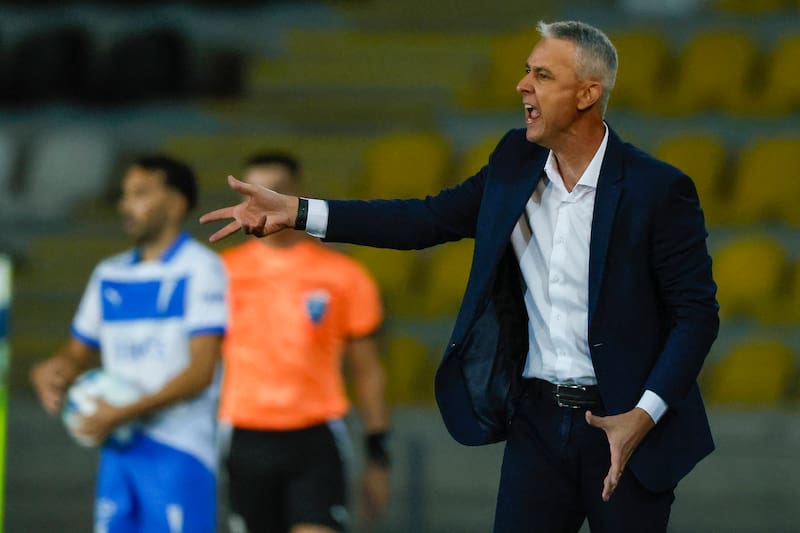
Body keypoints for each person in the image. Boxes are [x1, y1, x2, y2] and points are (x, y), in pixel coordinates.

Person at [199, 20, 719, 533]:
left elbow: (695, 316)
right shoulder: (515, 161)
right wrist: (297, 211)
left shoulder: (657, 188)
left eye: (542, 75)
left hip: (624, 423)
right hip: (537, 420)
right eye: (526, 71)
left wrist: (644, 414)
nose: (523, 85)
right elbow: (423, 219)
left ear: (588, 93)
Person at [31, 155, 227, 533]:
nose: (125, 205)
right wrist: (53, 371)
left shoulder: (201, 268)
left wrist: (127, 411)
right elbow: (77, 351)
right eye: (125, 195)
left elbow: (202, 371)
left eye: (140, 193)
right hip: (118, 448)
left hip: (179, 448)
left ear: (176, 204)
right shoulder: (109, 273)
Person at [218, 153, 390, 533]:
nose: (261, 201)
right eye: (251, 192)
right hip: (245, 435)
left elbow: (368, 371)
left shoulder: (343, 275)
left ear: (296, 193)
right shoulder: (220, 275)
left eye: (273, 190)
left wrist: (378, 456)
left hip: (315, 438)